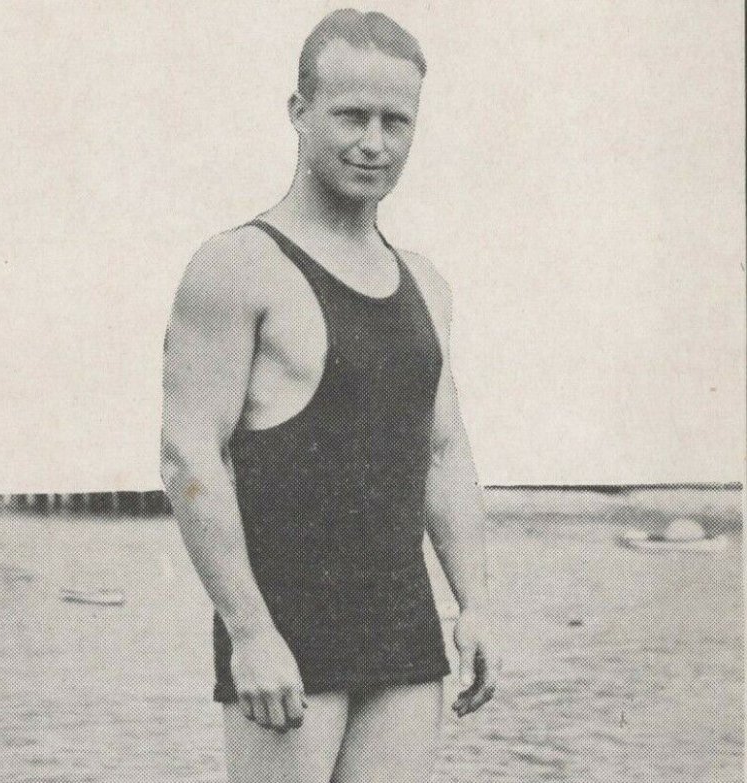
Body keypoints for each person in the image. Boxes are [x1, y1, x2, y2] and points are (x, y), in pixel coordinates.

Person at [160, 9, 499, 783]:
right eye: (350, 115)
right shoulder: (238, 266)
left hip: (403, 634)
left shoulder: (427, 283)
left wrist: (474, 601)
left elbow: (444, 452)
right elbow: (189, 457)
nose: (373, 142)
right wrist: (249, 632)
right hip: (287, 635)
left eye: (395, 121)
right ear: (299, 112)